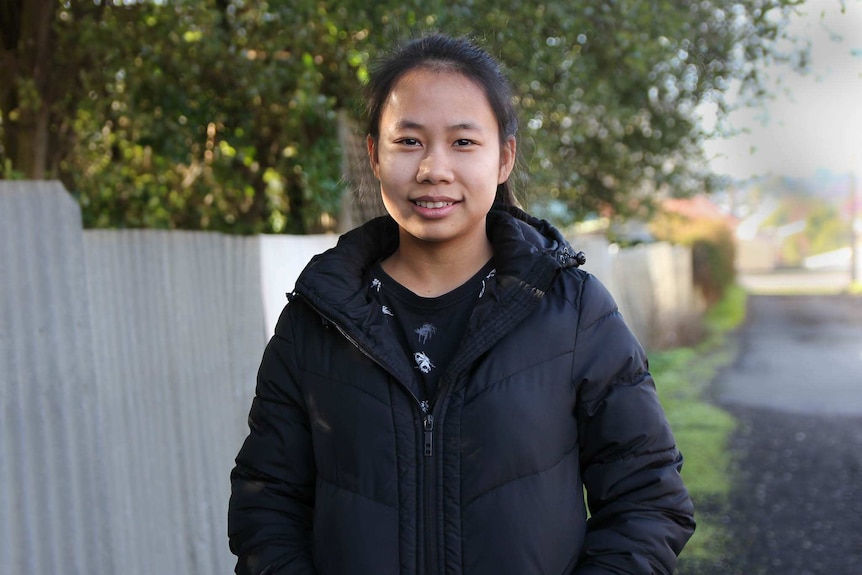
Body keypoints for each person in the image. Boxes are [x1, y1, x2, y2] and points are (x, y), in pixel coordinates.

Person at [228, 33, 695, 575]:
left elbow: (648, 499)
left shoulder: (572, 313)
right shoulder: (318, 318)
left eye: (463, 142)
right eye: (409, 141)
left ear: (504, 158)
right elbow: (267, 504)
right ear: (374, 156)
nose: (434, 168)